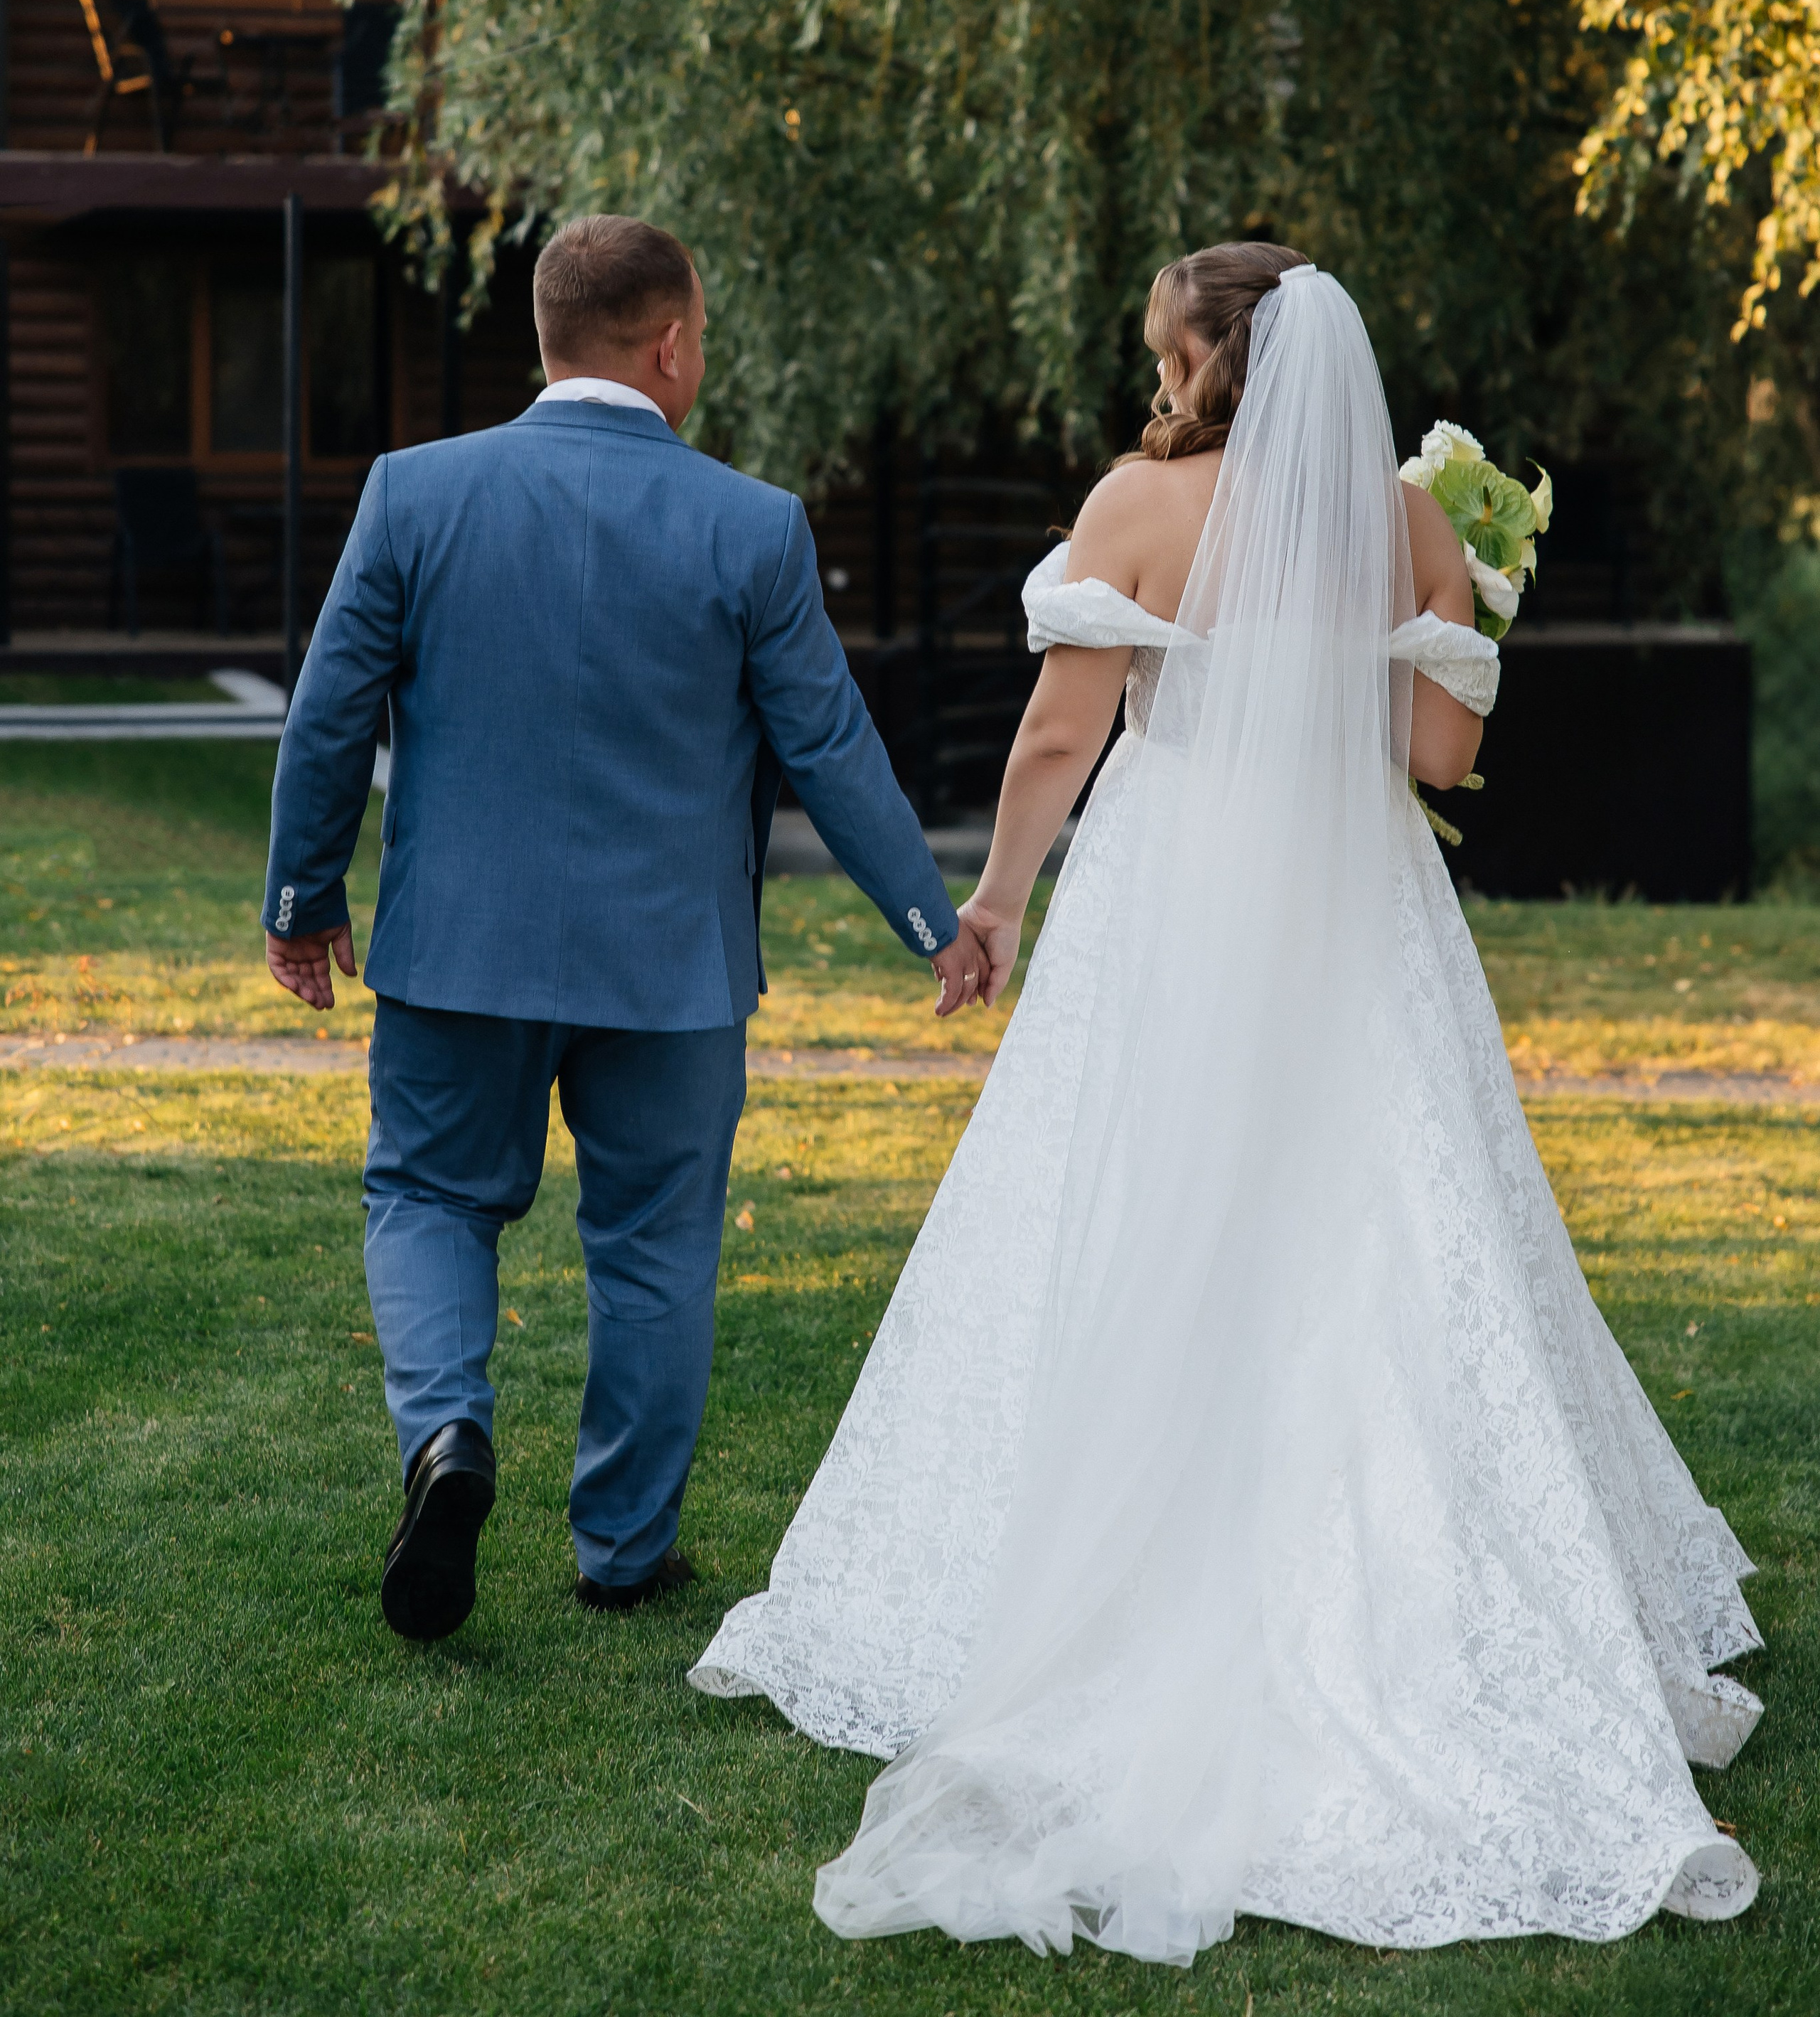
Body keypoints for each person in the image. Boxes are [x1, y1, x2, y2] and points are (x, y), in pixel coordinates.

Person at [692, 245, 1762, 1959]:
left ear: (1209, 365)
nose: (1156, 375)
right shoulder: (1408, 531)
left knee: (1125, 1200)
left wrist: (996, 904)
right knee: (1386, 1217)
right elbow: (1435, 765)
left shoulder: (1132, 505)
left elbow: (1056, 740)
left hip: (1170, 888)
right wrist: (1470, 594)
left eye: (1165, 350)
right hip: (1352, 902)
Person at [262, 213, 987, 1642]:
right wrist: (930, 922)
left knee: (428, 1198)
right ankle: (621, 1550)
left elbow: (330, 710)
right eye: (699, 336)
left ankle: (448, 1440)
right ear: (668, 346)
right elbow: (829, 748)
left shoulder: (412, 496)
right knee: (653, 1249)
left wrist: (304, 900)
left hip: (456, 950)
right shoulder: (752, 524)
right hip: (669, 968)